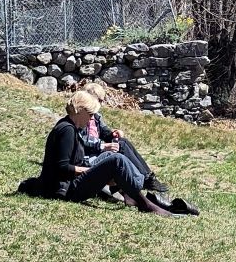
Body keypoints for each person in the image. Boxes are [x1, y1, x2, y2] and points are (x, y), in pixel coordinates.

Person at [37, 91, 172, 215]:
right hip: (67, 190)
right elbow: (63, 168)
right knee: (117, 160)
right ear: (80, 111)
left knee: (111, 156)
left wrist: (100, 173)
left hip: (67, 183)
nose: (91, 119)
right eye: (90, 115)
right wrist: (93, 171)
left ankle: (136, 196)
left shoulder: (69, 126)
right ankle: (144, 202)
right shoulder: (68, 131)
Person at [78, 82, 167, 193]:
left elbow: (105, 133)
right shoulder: (80, 118)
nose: (101, 104)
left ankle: (147, 177)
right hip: (89, 157)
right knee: (120, 147)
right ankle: (143, 180)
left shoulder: (96, 116)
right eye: (99, 101)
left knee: (122, 142)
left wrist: (113, 134)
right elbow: (81, 140)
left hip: (97, 150)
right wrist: (102, 146)